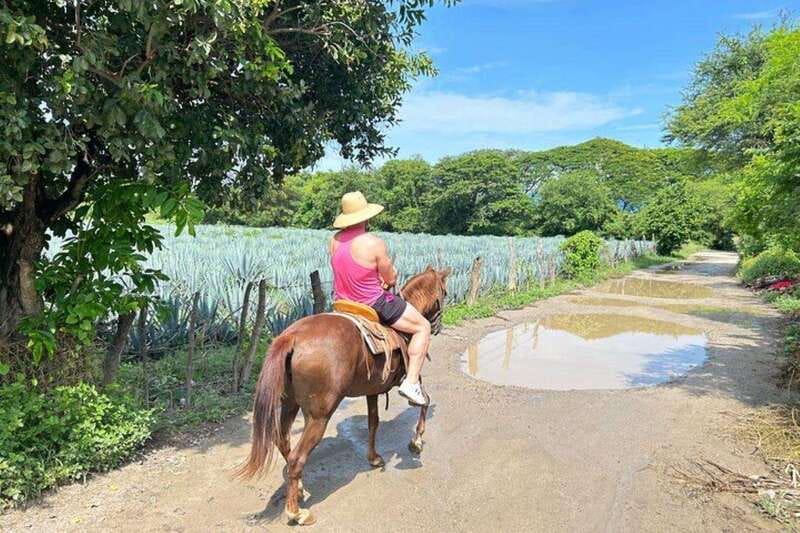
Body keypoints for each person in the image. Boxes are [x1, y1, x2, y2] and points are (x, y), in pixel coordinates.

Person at [329, 191, 430, 406]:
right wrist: (388, 278)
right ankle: (411, 383)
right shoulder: (374, 243)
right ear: (366, 216)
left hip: (343, 304)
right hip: (372, 302)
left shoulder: (334, 241)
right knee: (423, 326)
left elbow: (349, 270)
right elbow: (390, 277)